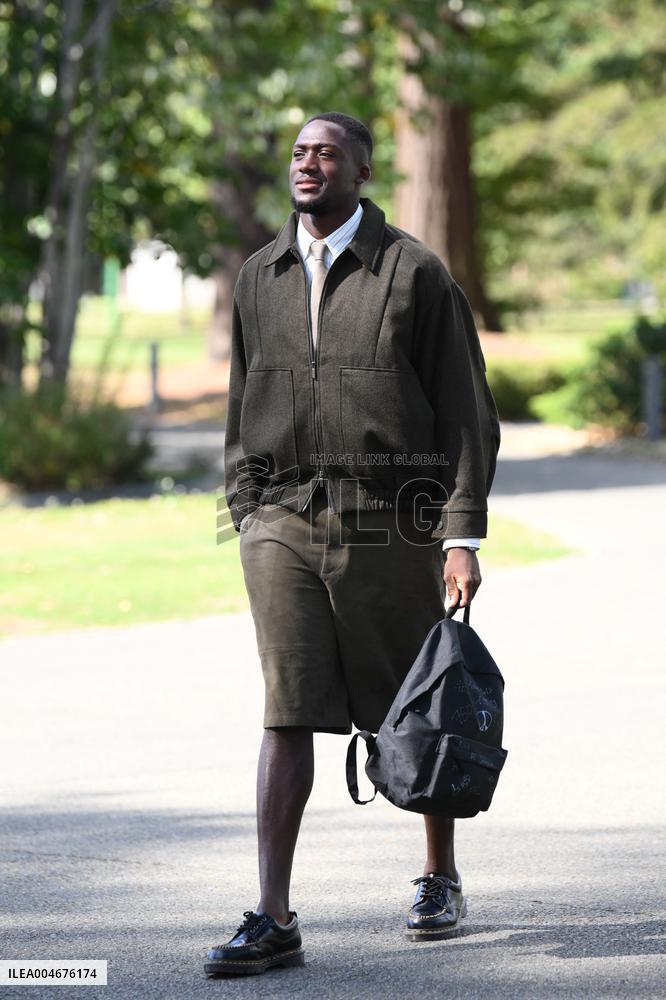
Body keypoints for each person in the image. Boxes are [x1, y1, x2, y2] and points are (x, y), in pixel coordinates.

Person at [205, 112, 500, 978]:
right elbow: (238, 404)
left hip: (391, 520)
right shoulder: (259, 275)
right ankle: (272, 914)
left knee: (415, 705)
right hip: (281, 525)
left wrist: (460, 534)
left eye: (327, 152)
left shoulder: (414, 273)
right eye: (299, 151)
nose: (309, 163)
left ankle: (438, 876)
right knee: (286, 708)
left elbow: (466, 413)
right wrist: (248, 508)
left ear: (362, 170)